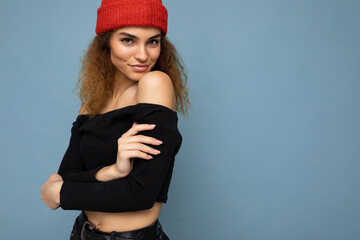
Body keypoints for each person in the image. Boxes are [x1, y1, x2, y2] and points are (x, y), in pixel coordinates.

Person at [40, 0, 190, 239]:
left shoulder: (155, 84)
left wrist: (61, 195)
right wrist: (112, 171)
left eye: (153, 41)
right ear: (106, 41)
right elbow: (67, 174)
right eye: (128, 40)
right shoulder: (93, 101)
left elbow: (140, 194)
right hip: (82, 233)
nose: (143, 55)